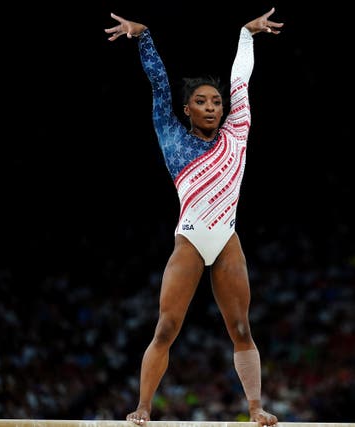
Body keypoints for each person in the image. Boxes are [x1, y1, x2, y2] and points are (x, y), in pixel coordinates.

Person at [104, 8, 284, 427]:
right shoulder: (173, 138)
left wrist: (245, 35)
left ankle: (256, 408)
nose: (211, 107)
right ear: (187, 109)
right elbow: (158, 85)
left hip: (226, 240)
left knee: (241, 326)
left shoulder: (236, 133)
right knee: (166, 328)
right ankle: (144, 407)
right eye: (201, 102)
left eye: (216, 102)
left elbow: (241, 80)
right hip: (188, 240)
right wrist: (144, 36)